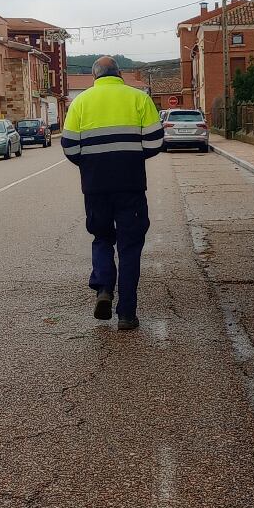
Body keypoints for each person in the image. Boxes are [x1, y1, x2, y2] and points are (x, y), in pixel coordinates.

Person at [62, 56, 164, 330]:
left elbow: (70, 146)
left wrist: (92, 165)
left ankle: (104, 288)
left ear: (94, 76)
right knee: (130, 247)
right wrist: (130, 158)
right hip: (130, 185)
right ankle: (127, 315)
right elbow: (155, 141)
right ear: (119, 74)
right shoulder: (138, 98)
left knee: (102, 237)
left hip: (95, 187)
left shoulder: (80, 102)